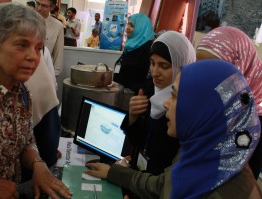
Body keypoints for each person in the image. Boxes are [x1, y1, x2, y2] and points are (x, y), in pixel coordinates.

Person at [86, 60, 262, 199]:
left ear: (200, 109)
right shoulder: (200, 153)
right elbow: (163, 185)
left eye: (175, 96)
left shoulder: (222, 191)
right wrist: (114, 172)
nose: (165, 103)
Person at [0, 3, 71, 199]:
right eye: (22, 45)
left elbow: (25, 142)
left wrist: (38, 164)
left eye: (38, 48)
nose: (33, 57)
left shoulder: (21, 91)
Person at [121, 31, 195, 176]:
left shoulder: (185, 104)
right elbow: (138, 140)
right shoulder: (149, 90)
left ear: (181, 66)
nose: (155, 72)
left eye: (164, 66)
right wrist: (133, 117)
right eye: (152, 63)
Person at [196, 26, 262, 179]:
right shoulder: (205, 104)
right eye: (199, 68)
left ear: (239, 69)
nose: (203, 77)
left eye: (214, 71)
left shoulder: (253, 124)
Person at [113, 13, 154, 94]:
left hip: (132, 99)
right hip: (119, 93)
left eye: (132, 25)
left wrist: (129, 90)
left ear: (141, 27)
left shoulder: (148, 49)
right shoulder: (130, 46)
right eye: (128, 24)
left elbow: (149, 81)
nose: (127, 27)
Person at [35, 0, 64, 78]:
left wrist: (55, 75)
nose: (39, 8)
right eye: (37, 3)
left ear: (52, 7)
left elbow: (58, 53)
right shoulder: (24, 21)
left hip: (45, 71)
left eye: (44, 6)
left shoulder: (58, 26)